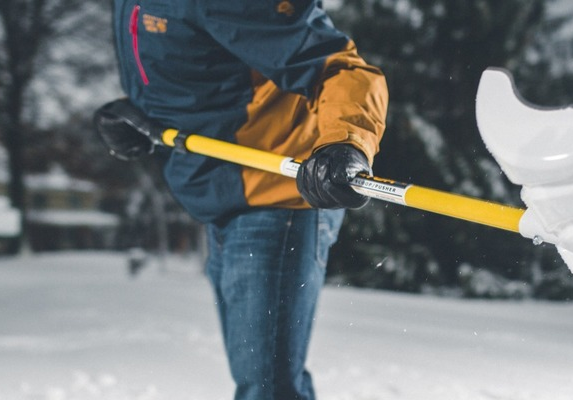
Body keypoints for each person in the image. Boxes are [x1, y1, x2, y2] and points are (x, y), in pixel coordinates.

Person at [93, 1, 388, 399]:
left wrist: (346, 142)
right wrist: (140, 114)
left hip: (277, 197)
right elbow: (206, 69)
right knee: (266, 382)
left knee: (266, 388)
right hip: (222, 194)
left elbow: (339, 68)